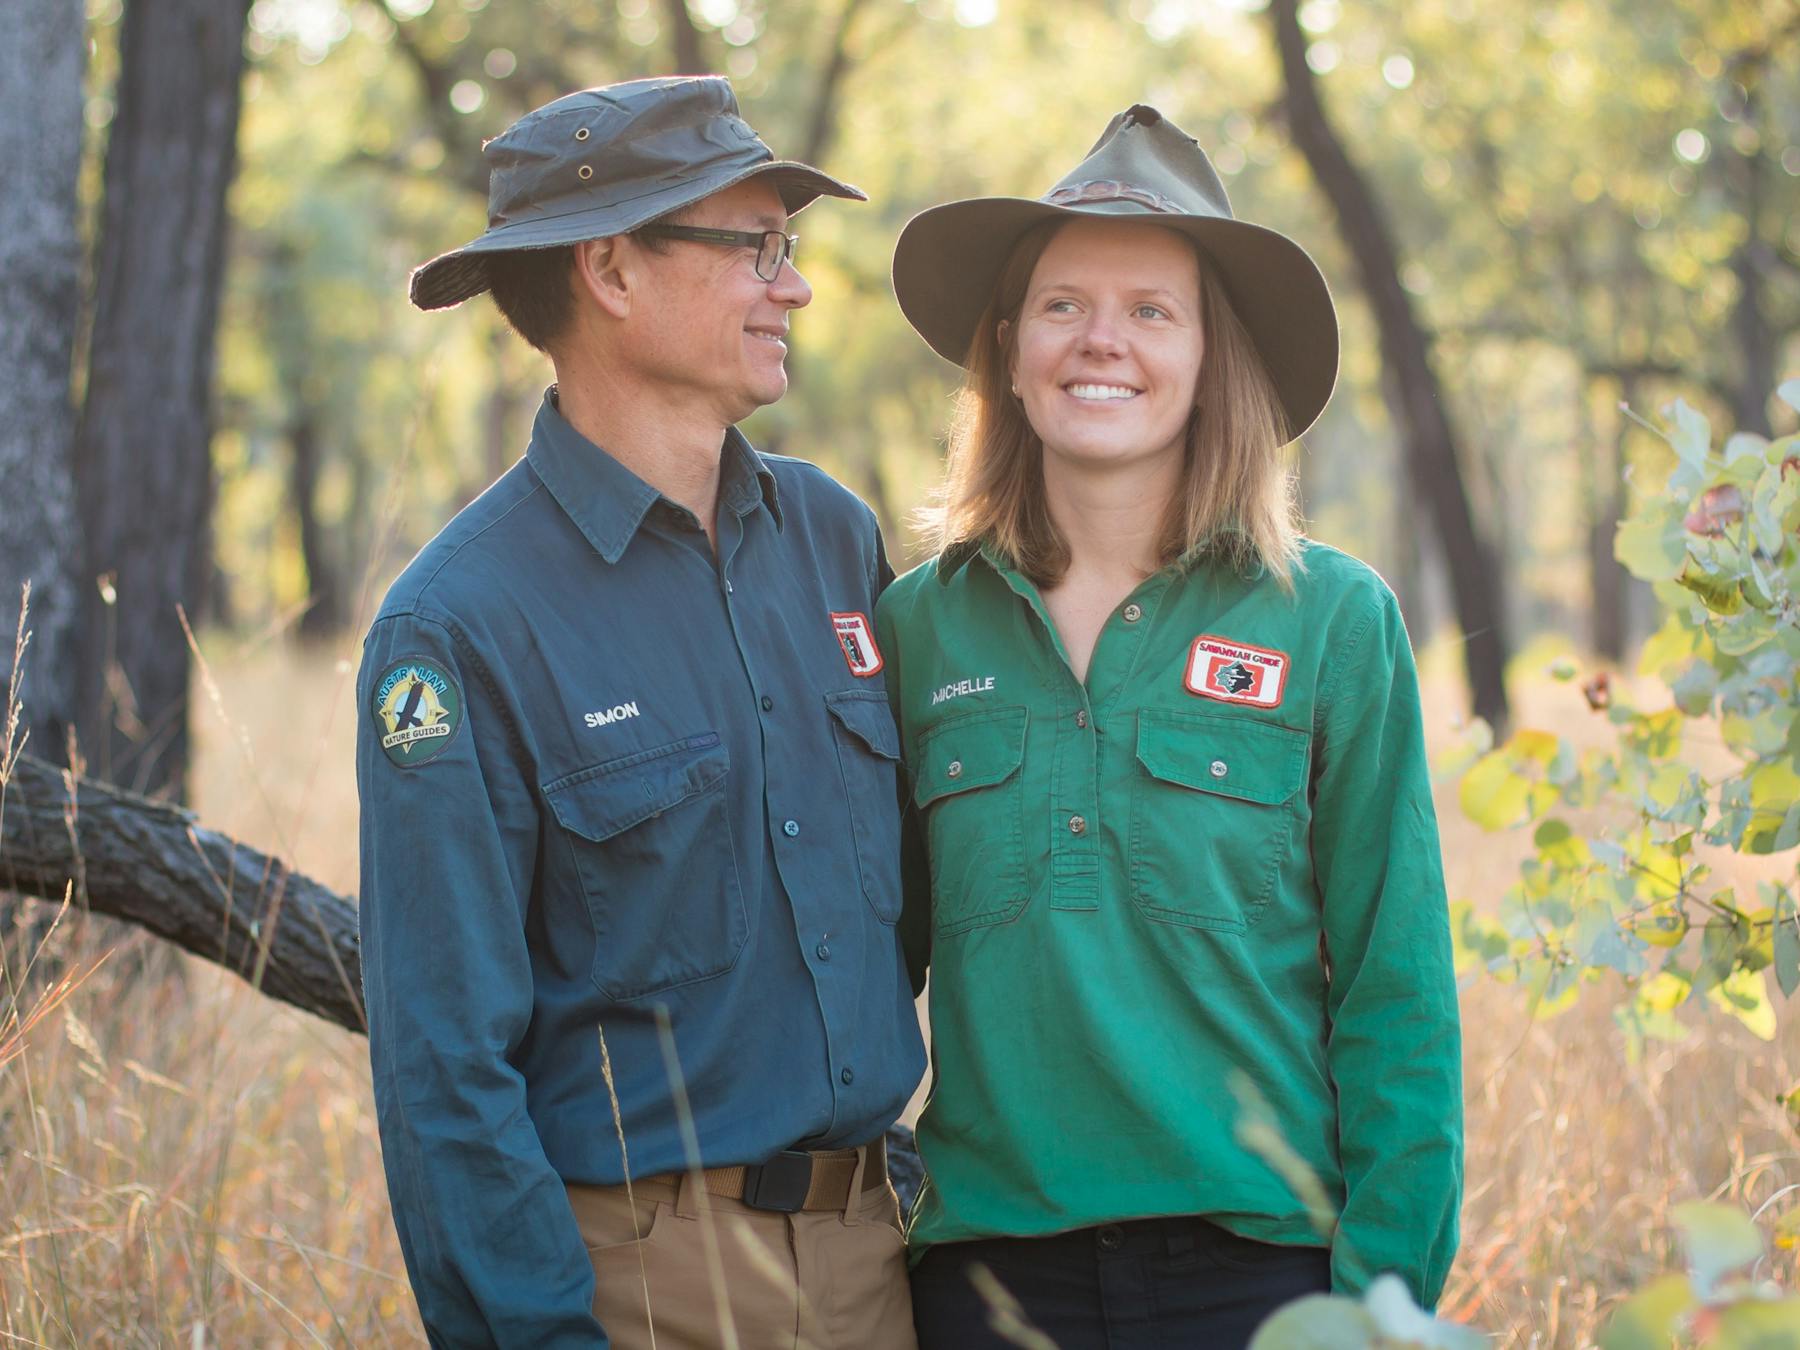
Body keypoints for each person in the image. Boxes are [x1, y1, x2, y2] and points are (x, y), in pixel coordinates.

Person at [876, 105, 1462, 1347]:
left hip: (1264, 1280)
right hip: (986, 1282)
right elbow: (863, 968)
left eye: (1152, 310)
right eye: (1062, 305)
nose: (1104, 342)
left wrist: (1384, 1305)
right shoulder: (920, 628)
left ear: (1211, 356)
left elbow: (1395, 995)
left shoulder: (1333, 620)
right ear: (1010, 345)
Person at [358, 75, 925, 1348]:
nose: (797, 286)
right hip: (640, 1295)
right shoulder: (456, 625)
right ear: (612, 272)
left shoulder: (834, 539)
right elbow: (445, 1068)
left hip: (884, 1266)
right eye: (757, 248)